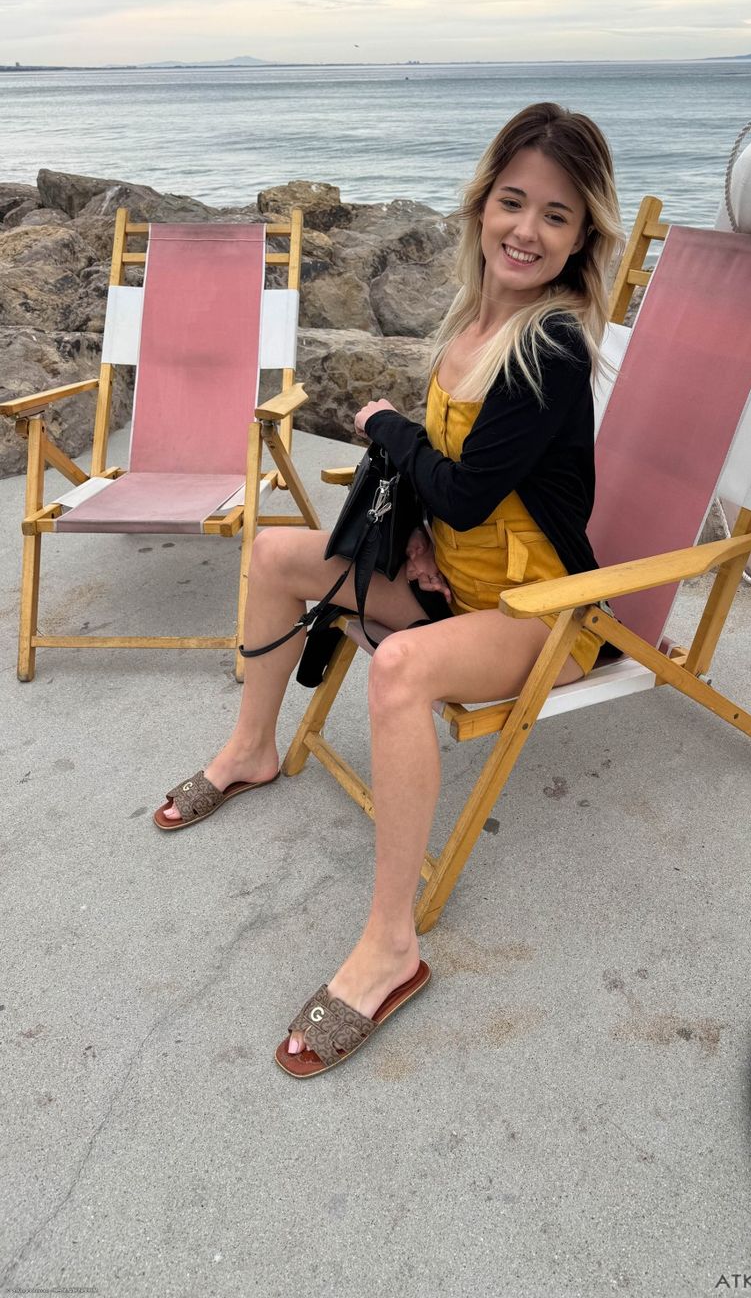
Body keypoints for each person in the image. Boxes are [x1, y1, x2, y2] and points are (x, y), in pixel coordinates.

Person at [153, 102, 623, 1077]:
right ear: (482, 203)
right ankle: (251, 749)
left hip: (540, 614)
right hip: (455, 582)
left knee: (399, 669)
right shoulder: (476, 321)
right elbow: (450, 488)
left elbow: (460, 485)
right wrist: (411, 537)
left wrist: (380, 424)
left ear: (584, 236)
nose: (526, 229)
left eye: (556, 215)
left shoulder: (549, 346)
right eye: (512, 201)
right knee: (277, 555)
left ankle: (389, 945)